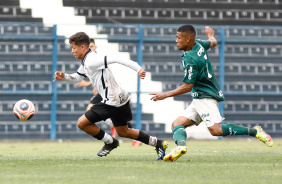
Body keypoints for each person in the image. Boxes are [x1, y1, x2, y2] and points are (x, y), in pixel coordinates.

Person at [150, 25, 273, 162]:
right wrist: (210, 35)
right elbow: (213, 42)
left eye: (179, 38)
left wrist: (165, 95)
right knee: (177, 124)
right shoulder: (199, 44)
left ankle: (255, 131)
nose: (176, 41)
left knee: (216, 130)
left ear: (188, 39)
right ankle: (181, 147)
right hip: (199, 97)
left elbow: (187, 86)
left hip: (205, 96)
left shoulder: (190, 59)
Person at [53, 32, 167, 159]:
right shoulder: (87, 60)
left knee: (82, 123)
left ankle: (110, 142)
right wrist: (64, 76)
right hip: (120, 98)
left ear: (83, 48)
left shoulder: (92, 60)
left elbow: (118, 59)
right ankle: (158, 143)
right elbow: (79, 77)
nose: (72, 51)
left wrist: (138, 68)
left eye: (73, 47)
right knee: (124, 131)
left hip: (112, 101)